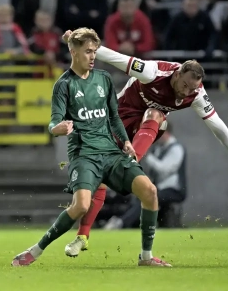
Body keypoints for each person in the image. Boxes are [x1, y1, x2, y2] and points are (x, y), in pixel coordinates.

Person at [60, 29, 228, 256]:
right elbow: (116, 58)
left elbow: (217, 125)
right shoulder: (152, 72)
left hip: (146, 128)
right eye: (185, 86)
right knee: (100, 183)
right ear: (177, 74)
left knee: (156, 114)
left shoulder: (196, 95)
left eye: (192, 89)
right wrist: (78, 44)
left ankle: (131, 161)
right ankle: (83, 236)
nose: (186, 93)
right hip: (117, 122)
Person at [11, 28, 171, 267]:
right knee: (81, 205)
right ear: (73, 51)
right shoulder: (63, 84)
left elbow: (114, 117)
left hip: (111, 153)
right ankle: (35, 250)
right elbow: (53, 122)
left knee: (150, 192)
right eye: (87, 51)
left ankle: (146, 257)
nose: (93, 56)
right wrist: (57, 128)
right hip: (84, 155)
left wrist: (126, 141)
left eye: (95, 51)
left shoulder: (103, 78)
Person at [104, 122, 187, 229]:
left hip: (174, 190)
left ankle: (122, 223)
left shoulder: (176, 149)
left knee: (149, 197)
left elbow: (164, 169)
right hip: (160, 188)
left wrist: (147, 156)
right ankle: (132, 224)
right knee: (139, 196)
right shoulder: (158, 148)